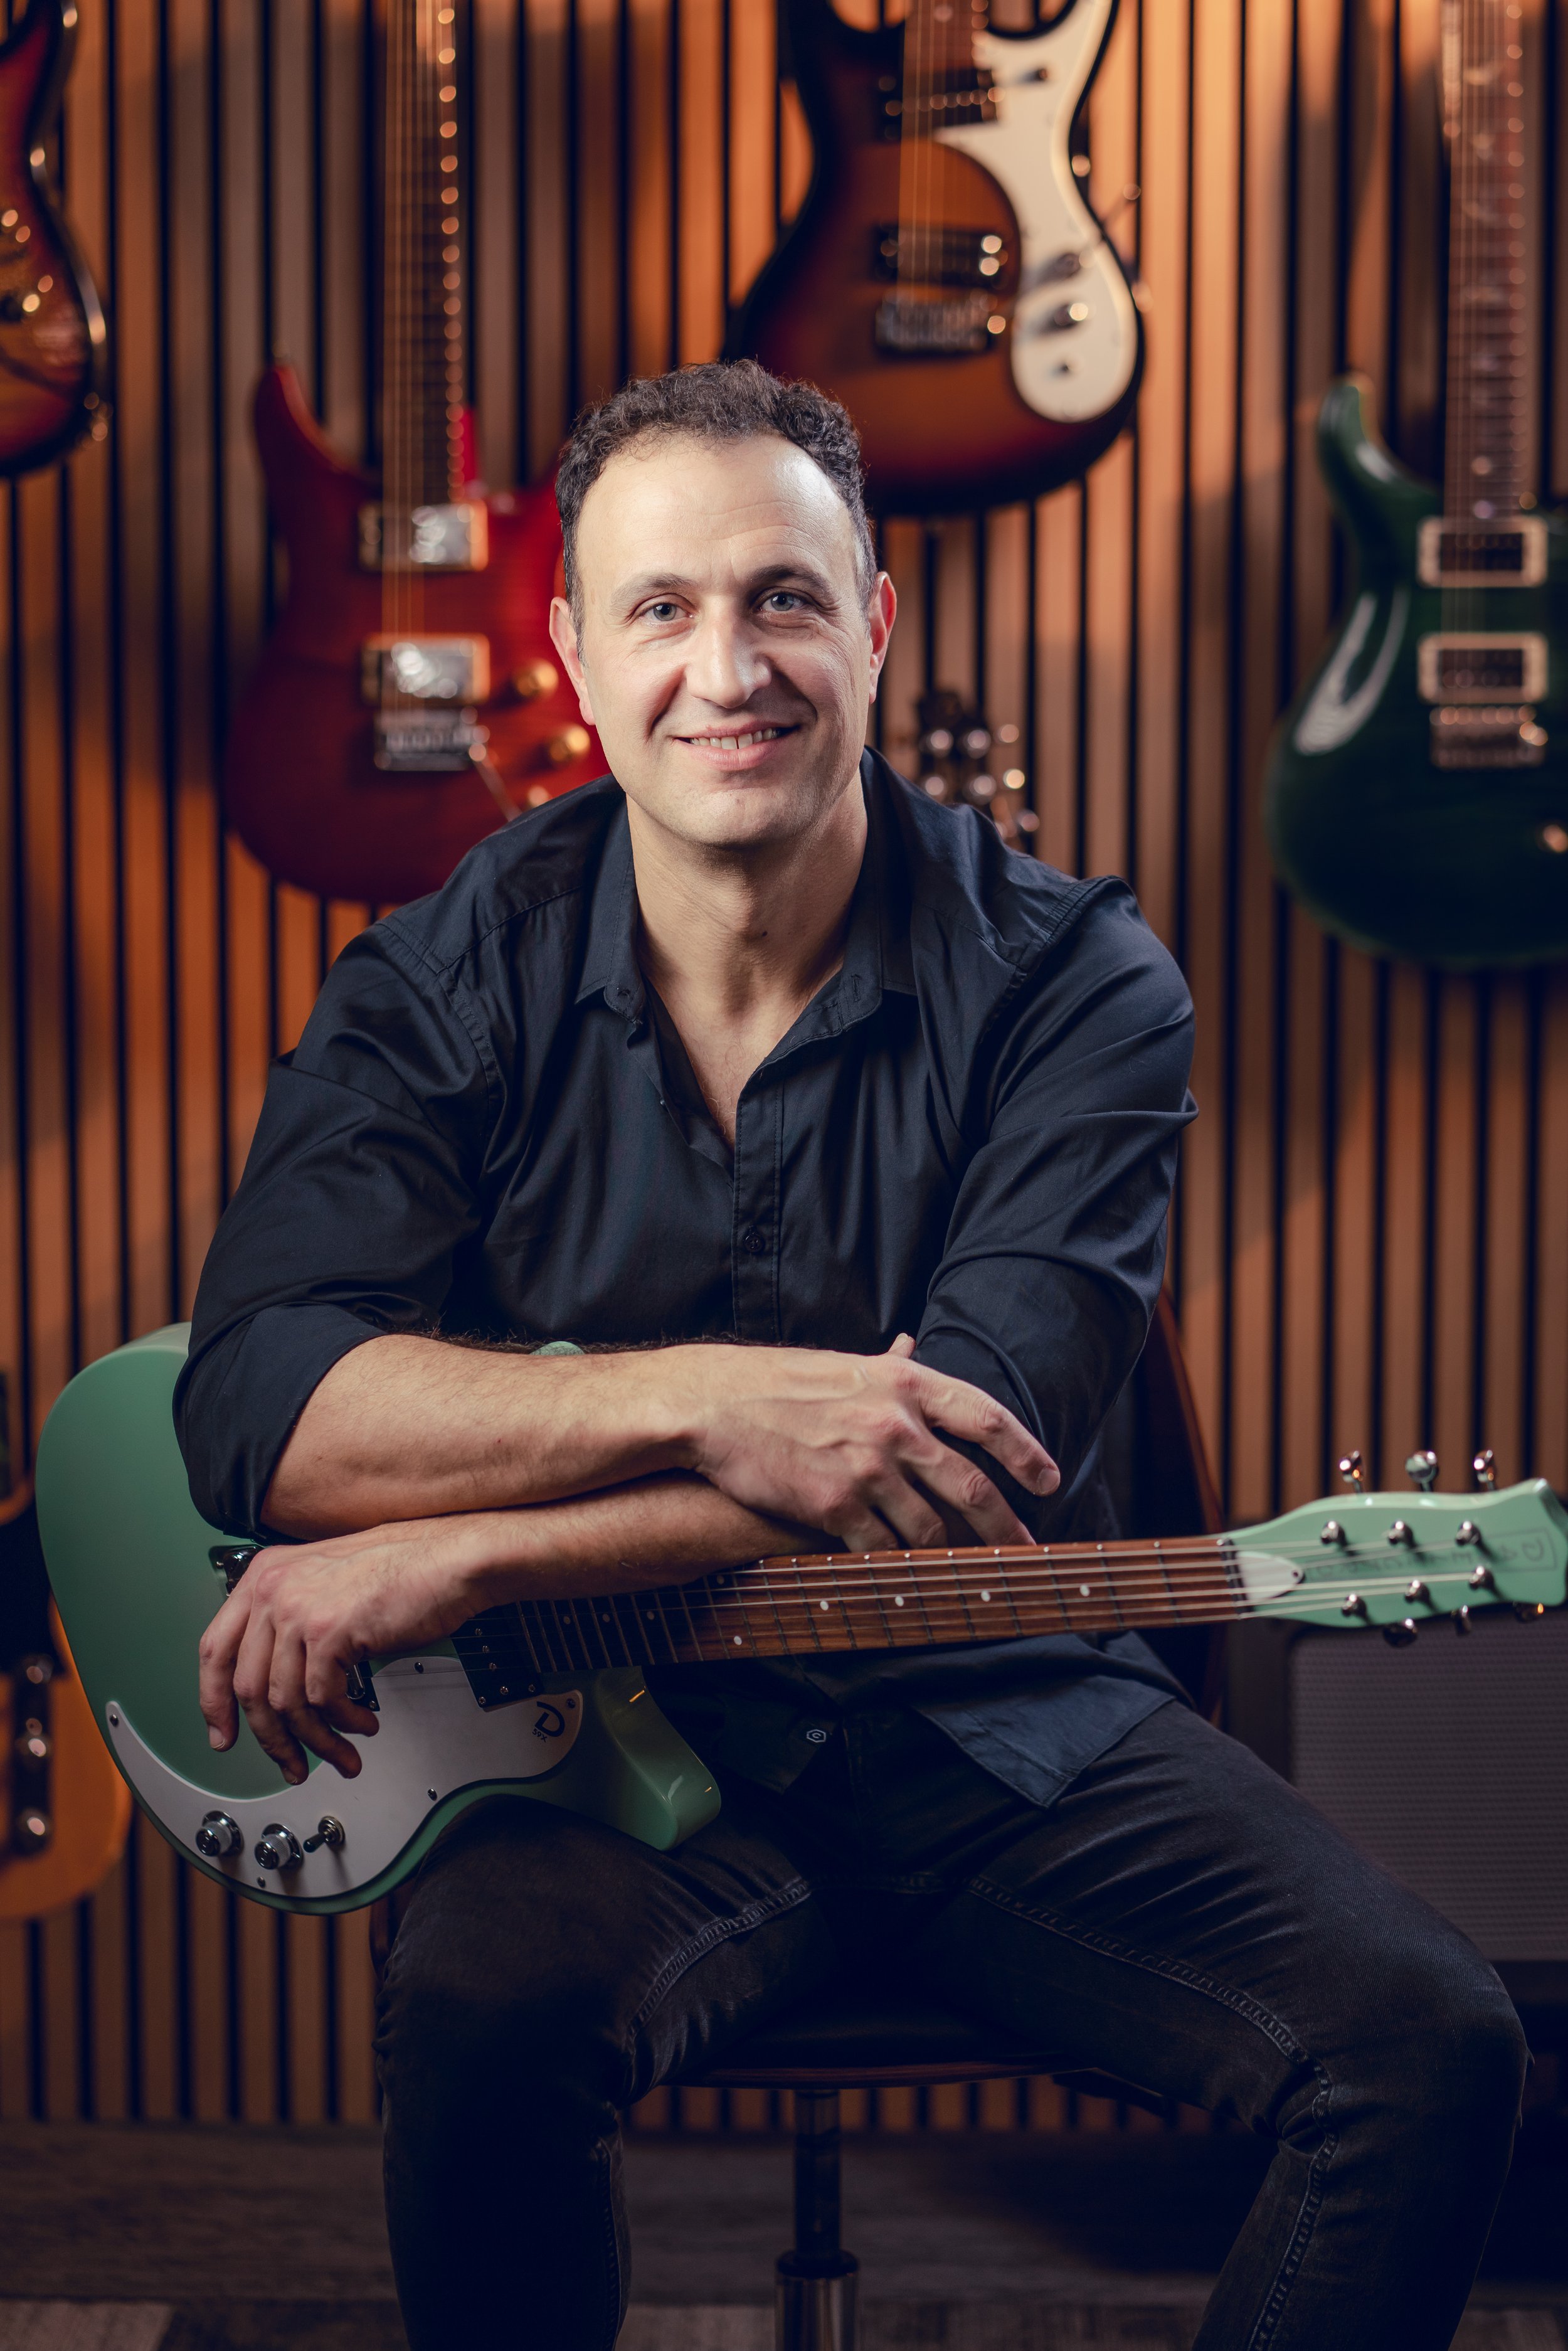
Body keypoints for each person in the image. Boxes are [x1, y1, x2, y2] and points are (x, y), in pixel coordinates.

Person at [177, 360, 1524, 2351]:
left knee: (1430, 2043)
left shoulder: (1077, 979)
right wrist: (713, 1392)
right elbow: (257, 1402)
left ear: (874, 626)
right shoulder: (446, 968)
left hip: (1001, 1730)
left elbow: (945, 1475)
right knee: (477, 2012)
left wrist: (460, 1549)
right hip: (600, 1755)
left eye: (783, 599)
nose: (730, 666)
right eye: (661, 608)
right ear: (569, 649)